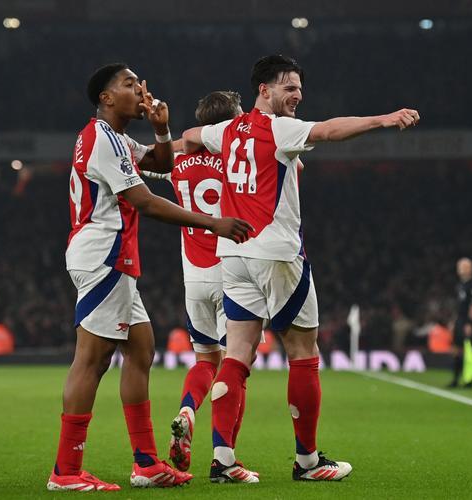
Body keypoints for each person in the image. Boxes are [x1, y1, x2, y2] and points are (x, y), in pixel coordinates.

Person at [181, 54, 419, 483]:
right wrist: (383, 119)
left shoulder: (226, 131)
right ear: (264, 90)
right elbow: (328, 130)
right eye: (288, 87)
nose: (297, 95)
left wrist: (179, 147)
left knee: (236, 355)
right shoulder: (278, 128)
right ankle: (308, 462)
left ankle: (223, 460)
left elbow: (191, 135)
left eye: (300, 88)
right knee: (303, 354)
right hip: (276, 255)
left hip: (232, 256)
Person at [49, 63, 253, 491]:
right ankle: (66, 471)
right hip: (103, 255)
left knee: (141, 350)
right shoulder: (102, 139)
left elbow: (160, 161)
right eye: (128, 84)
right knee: (92, 360)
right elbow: (143, 200)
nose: (139, 90)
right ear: (106, 98)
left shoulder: (116, 138)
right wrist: (211, 223)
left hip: (115, 257)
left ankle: (146, 463)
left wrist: (161, 129)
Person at [142, 90, 258, 481]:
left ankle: (187, 411)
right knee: (237, 365)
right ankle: (226, 458)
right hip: (233, 272)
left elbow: (145, 162)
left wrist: (169, 139)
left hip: (194, 275)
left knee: (206, 361)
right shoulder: (238, 156)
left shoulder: (177, 162)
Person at [447, 257, 472, 388]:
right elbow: (459, 306)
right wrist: (453, 321)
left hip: (467, 322)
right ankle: (455, 379)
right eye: (459, 266)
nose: (460, 269)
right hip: (459, 320)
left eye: (463, 266)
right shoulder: (460, 285)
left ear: (470, 269)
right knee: (456, 349)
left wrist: (469, 323)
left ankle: (469, 380)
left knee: (468, 350)